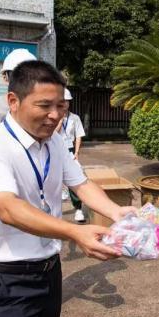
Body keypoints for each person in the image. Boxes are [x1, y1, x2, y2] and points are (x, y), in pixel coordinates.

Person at [0, 60, 135, 317]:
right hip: (7, 278)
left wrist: (115, 211)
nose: (55, 115)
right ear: (13, 101)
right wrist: (75, 232)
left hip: (48, 272)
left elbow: (81, 183)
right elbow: (7, 208)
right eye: (44, 105)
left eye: (60, 106)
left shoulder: (55, 142)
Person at [55, 88, 87, 222]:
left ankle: (78, 209)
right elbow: (52, 134)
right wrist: (59, 121)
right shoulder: (53, 116)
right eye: (63, 101)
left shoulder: (75, 118)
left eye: (67, 101)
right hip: (55, 149)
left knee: (75, 177)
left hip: (70, 150)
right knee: (53, 179)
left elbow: (78, 135)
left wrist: (77, 152)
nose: (65, 104)